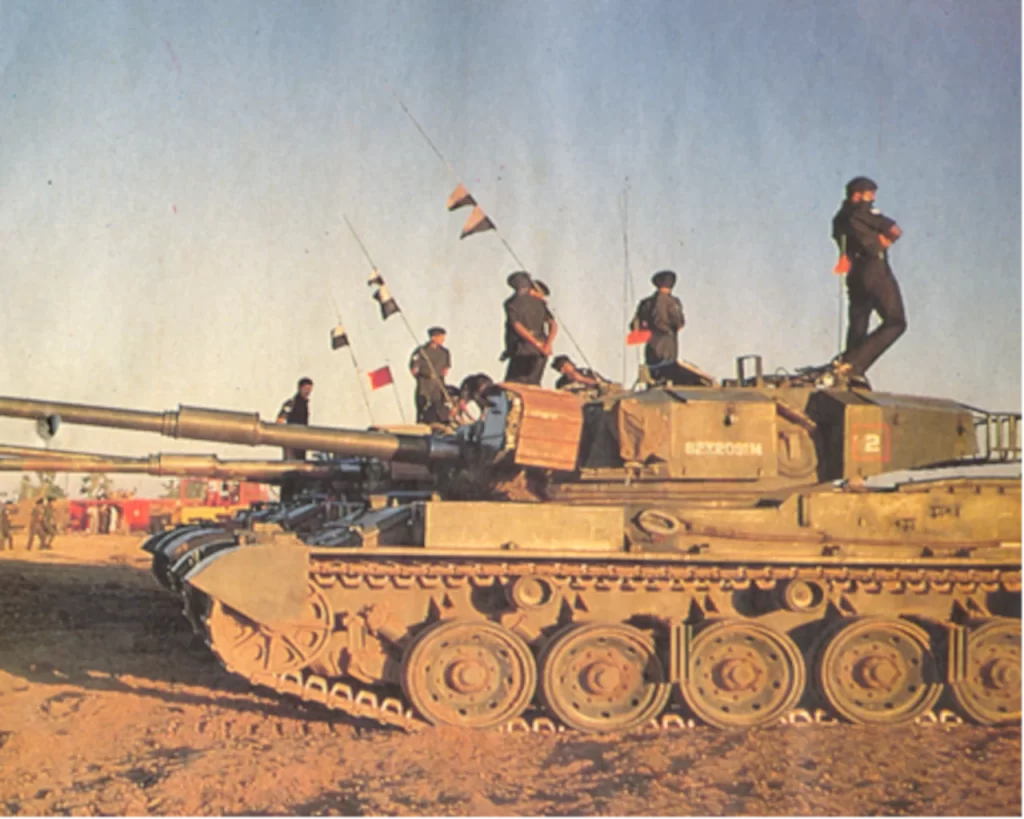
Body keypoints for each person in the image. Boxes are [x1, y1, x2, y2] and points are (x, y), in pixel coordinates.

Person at [831, 176, 905, 387]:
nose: (872, 198)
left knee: (859, 324)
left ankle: (849, 373)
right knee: (896, 321)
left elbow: (841, 243)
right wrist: (887, 238)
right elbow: (886, 236)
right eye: (869, 194)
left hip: (855, 274)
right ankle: (852, 364)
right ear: (857, 195)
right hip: (874, 270)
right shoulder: (861, 214)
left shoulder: (839, 218)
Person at [630, 270, 703, 385]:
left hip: (651, 345)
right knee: (667, 377)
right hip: (668, 345)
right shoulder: (673, 302)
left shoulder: (646, 303)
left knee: (653, 378)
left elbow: (634, 327)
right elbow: (679, 324)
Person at [502, 271, 557, 385]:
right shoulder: (541, 304)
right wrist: (547, 344)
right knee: (533, 383)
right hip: (540, 349)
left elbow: (517, 326)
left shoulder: (511, 303)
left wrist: (537, 343)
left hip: (523, 349)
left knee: (514, 385)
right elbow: (553, 325)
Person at [409, 327, 452, 424]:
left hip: (438, 385)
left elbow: (446, 369)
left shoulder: (445, 353)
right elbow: (414, 370)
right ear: (433, 337)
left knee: (438, 406)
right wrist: (426, 374)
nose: (443, 340)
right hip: (425, 384)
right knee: (422, 405)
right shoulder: (421, 351)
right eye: (441, 337)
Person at [276, 377, 314, 460]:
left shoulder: (305, 404)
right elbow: (280, 419)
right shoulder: (292, 403)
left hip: (302, 439)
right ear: (300, 388)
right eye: (306, 389)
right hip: (291, 439)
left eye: (310, 389)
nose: (308, 392)